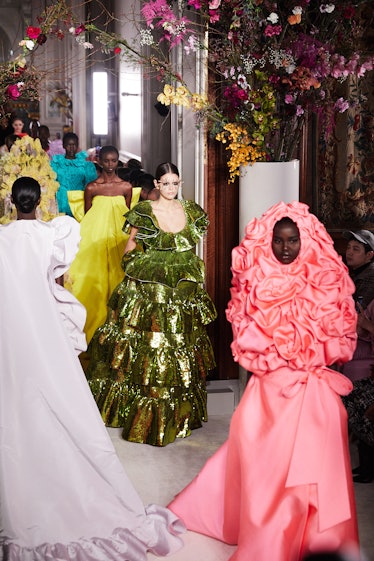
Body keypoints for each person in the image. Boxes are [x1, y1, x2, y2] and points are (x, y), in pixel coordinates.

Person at [0, 176, 185, 559]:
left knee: (15, 409)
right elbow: (56, 281)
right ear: (40, 201)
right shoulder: (55, 233)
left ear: (11, 202)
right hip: (45, 333)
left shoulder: (3, 240)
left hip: (11, 334)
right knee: (60, 405)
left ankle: (22, 487)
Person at [168, 201, 359, 560]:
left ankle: (315, 542)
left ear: (306, 241)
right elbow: (247, 342)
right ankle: (270, 542)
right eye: (278, 241)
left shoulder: (326, 278)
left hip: (312, 394)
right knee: (266, 470)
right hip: (270, 392)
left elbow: (341, 340)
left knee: (313, 473)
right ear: (267, 242)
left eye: (293, 240)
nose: (285, 248)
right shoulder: (254, 281)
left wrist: (307, 355)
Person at [86, 162, 217, 446]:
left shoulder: (191, 211)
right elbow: (131, 244)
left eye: (175, 183)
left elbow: (190, 245)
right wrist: (132, 267)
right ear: (156, 185)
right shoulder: (145, 212)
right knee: (149, 344)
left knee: (178, 345)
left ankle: (178, 414)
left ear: (179, 184)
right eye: (166, 183)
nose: (170, 188)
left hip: (181, 289)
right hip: (151, 287)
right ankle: (144, 411)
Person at [64, 145, 141, 345]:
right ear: (99, 161)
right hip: (95, 237)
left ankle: (120, 331)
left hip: (119, 238)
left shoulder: (126, 187)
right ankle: (95, 330)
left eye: (113, 160)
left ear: (118, 162)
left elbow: (128, 214)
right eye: (106, 161)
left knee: (119, 276)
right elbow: (88, 216)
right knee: (94, 278)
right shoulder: (92, 187)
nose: (109, 165)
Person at [51, 132, 98, 215]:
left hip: (79, 203)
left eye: (74, 145)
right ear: (64, 146)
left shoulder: (85, 165)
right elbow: (51, 183)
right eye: (69, 145)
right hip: (60, 202)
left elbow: (91, 185)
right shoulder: (56, 163)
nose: (72, 148)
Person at [343, 229, 374, 309]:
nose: (349, 252)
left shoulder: (371, 276)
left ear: (369, 255)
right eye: (348, 247)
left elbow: (359, 309)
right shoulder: (356, 272)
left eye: (355, 249)